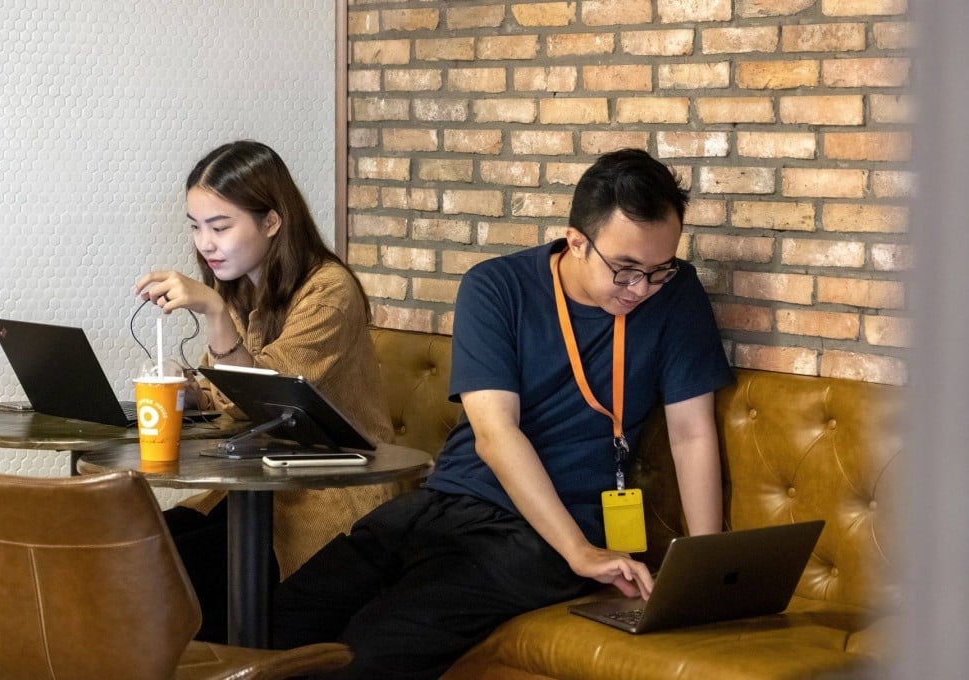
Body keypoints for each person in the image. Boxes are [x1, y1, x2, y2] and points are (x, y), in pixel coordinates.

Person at [270, 148, 735, 677]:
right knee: (276, 626)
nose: (641, 289)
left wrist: (703, 574)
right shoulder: (497, 287)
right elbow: (495, 435)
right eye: (626, 271)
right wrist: (581, 552)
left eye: (658, 270)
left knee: (369, 653)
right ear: (576, 241)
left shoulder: (675, 296)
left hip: (538, 539)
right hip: (443, 503)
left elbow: (692, 431)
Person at [134, 140, 394, 642]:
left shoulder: (329, 290)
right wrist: (191, 389)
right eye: (195, 226)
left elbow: (267, 394)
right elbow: (233, 397)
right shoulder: (242, 287)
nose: (205, 243)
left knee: (176, 573)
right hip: (261, 488)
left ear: (272, 221)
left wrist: (211, 311)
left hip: (329, 496)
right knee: (141, 550)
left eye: (220, 226)